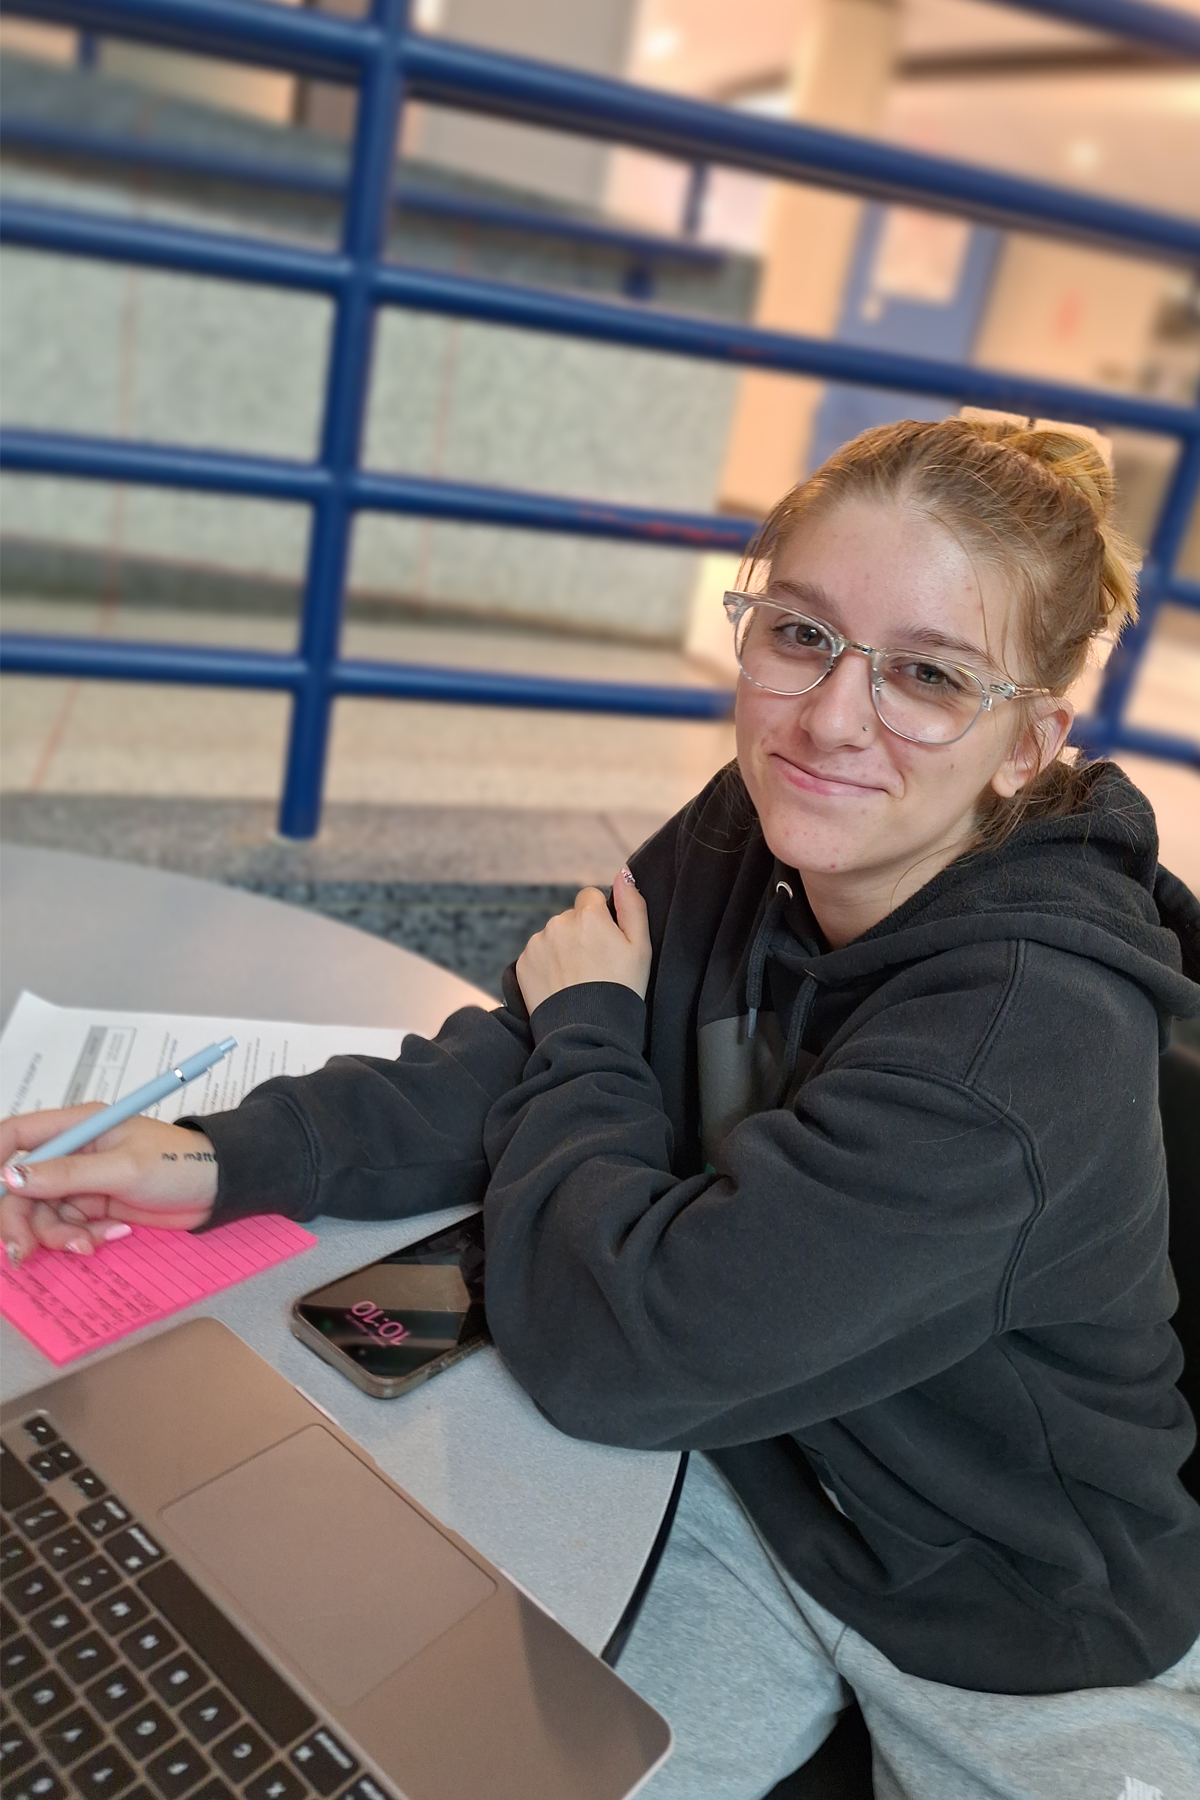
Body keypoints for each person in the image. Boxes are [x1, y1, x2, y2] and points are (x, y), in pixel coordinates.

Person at [3, 417, 1199, 1800]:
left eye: (927, 675)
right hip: (754, 1489)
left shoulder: (1016, 1047)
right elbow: (521, 1067)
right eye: (801, 635)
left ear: (1029, 740)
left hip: (1020, 1624)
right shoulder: (755, 823)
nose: (826, 718)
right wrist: (222, 1155)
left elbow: (617, 1347)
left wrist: (590, 1026)